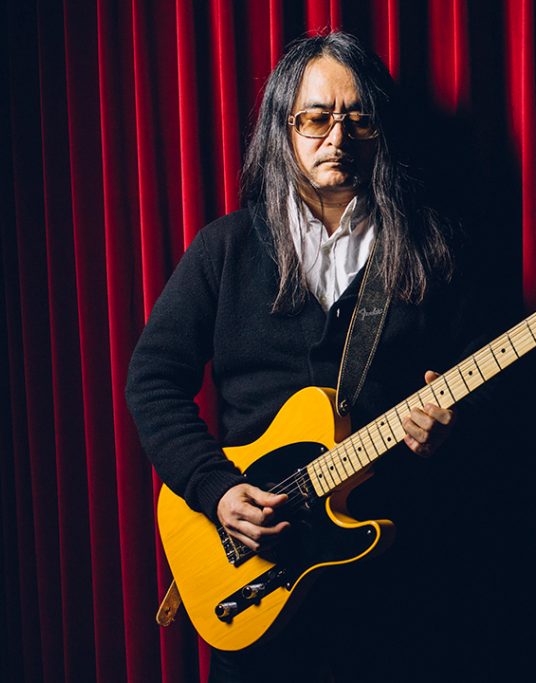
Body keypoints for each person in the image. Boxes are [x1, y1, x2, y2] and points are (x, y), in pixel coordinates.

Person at [126, 31, 487, 682]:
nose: (337, 137)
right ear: (283, 129)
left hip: (391, 586)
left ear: (380, 131)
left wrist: (447, 433)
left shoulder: (432, 252)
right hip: (258, 579)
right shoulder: (226, 248)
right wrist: (214, 488)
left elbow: (489, 410)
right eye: (316, 118)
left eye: (358, 118)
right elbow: (152, 380)